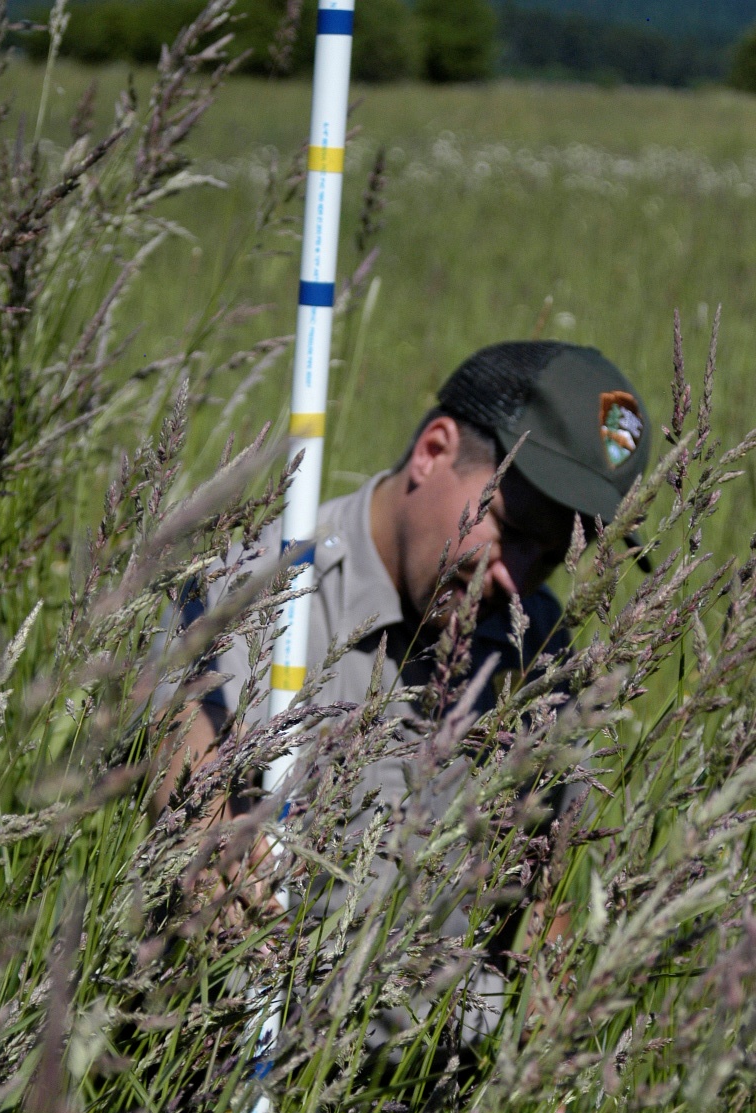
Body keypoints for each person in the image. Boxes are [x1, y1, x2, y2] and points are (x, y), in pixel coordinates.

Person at [154, 339, 652, 1046]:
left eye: (552, 555)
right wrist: (209, 836)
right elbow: (174, 789)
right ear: (433, 451)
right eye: (510, 531)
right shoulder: (247, 601)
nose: (519, 577)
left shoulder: (541, 652)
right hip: (242, 1101)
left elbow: (542, 911)